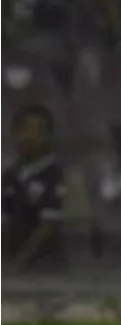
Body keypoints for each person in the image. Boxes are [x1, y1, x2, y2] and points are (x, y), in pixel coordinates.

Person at [0, 105, 66, 273]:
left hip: (47, 265)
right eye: (21, 130)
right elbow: (5, 220)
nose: (27, 136)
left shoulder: (53, 174)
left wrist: (19, 261)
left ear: (48, 137)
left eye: (36, 131)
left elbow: (48, 226)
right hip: (14, 263)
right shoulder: (10, 174)